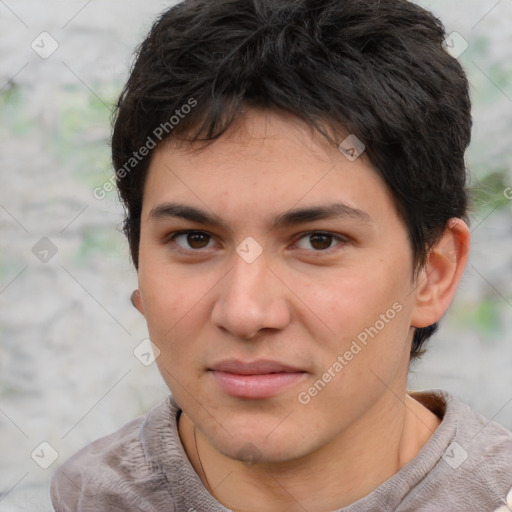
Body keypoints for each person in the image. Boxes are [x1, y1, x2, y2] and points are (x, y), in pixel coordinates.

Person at [50, 0, 512, 510]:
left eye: (319, 241)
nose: (245, 313)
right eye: (195, 239)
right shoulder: (88, 497)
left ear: (434, 274)